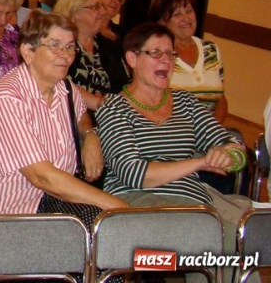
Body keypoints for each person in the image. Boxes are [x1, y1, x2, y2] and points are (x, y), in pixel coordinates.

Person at [97, 23, 248, 265]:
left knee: (243, 237)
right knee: (217, 242)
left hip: (194, 203)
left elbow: (232, 143)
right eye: (155, 53)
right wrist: (199, 162)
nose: (166, 61)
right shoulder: (115, 107)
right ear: (132, 59)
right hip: (136, 202)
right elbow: (134, 173)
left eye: (170, 53)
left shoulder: (185, 101)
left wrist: (230, 155)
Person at [0, 11, 127, 217]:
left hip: (53, 204)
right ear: (28, 52)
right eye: (54, 46)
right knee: (108, 225)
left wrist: (90, 135)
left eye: (70, 47)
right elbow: (42, 177)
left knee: (104, 229)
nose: (66, 55)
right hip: (8, 211)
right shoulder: (6, 99)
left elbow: (81, 116)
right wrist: (120, 208)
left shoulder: (65, 88)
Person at [147, 0, 228, 123]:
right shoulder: (156, 54)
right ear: (162, 22)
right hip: (170, 131)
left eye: (189, 11)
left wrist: (212, 131)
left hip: (209, 133)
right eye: (177, 14)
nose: (186, 18)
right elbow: (150, 103)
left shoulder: (211, 49)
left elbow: (221, 99)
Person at [55, 0, 129, 111]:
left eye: (102, 7)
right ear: (76, 12)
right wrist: (99, 103)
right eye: (96, 7)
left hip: (109, 116)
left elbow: (124, 85)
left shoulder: (109, 46)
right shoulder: (60, 45)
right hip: (69, 114)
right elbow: (57, 83)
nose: (103, 12)